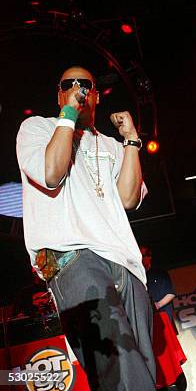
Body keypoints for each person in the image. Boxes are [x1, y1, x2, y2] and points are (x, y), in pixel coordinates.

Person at [16, 66, 154, 390]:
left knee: (141, 370)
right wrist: (68, 113)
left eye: (86, 85)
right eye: (69, 84)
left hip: (126, 265)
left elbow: (129, 199)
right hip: (73, 258)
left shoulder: (112, 146)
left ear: (96, 95)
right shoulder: (37, 128)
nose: (78, 89)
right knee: (119, 365)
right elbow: (51, 173)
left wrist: (131, 140)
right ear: (59, 92)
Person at [141, 245, 177, 325]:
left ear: (149, 257)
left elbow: (171, 293)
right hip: (147, 320)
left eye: (142, 256)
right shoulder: (138, 276)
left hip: (163, 318)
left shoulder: (160, 272)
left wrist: (157, 305)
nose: (140, 258)